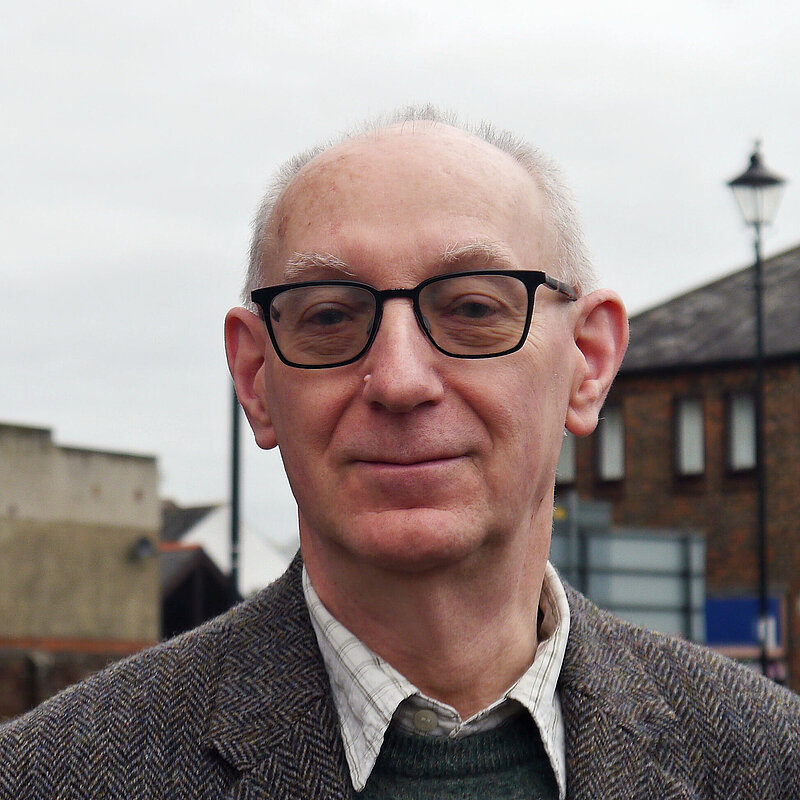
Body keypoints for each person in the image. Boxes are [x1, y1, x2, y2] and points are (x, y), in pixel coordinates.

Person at [1, 107, 798, 799]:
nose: (400, 380)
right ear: (255, 377)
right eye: (328, 317)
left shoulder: (771, 760)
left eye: (474, 309)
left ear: (587, 364)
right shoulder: (48, 777)